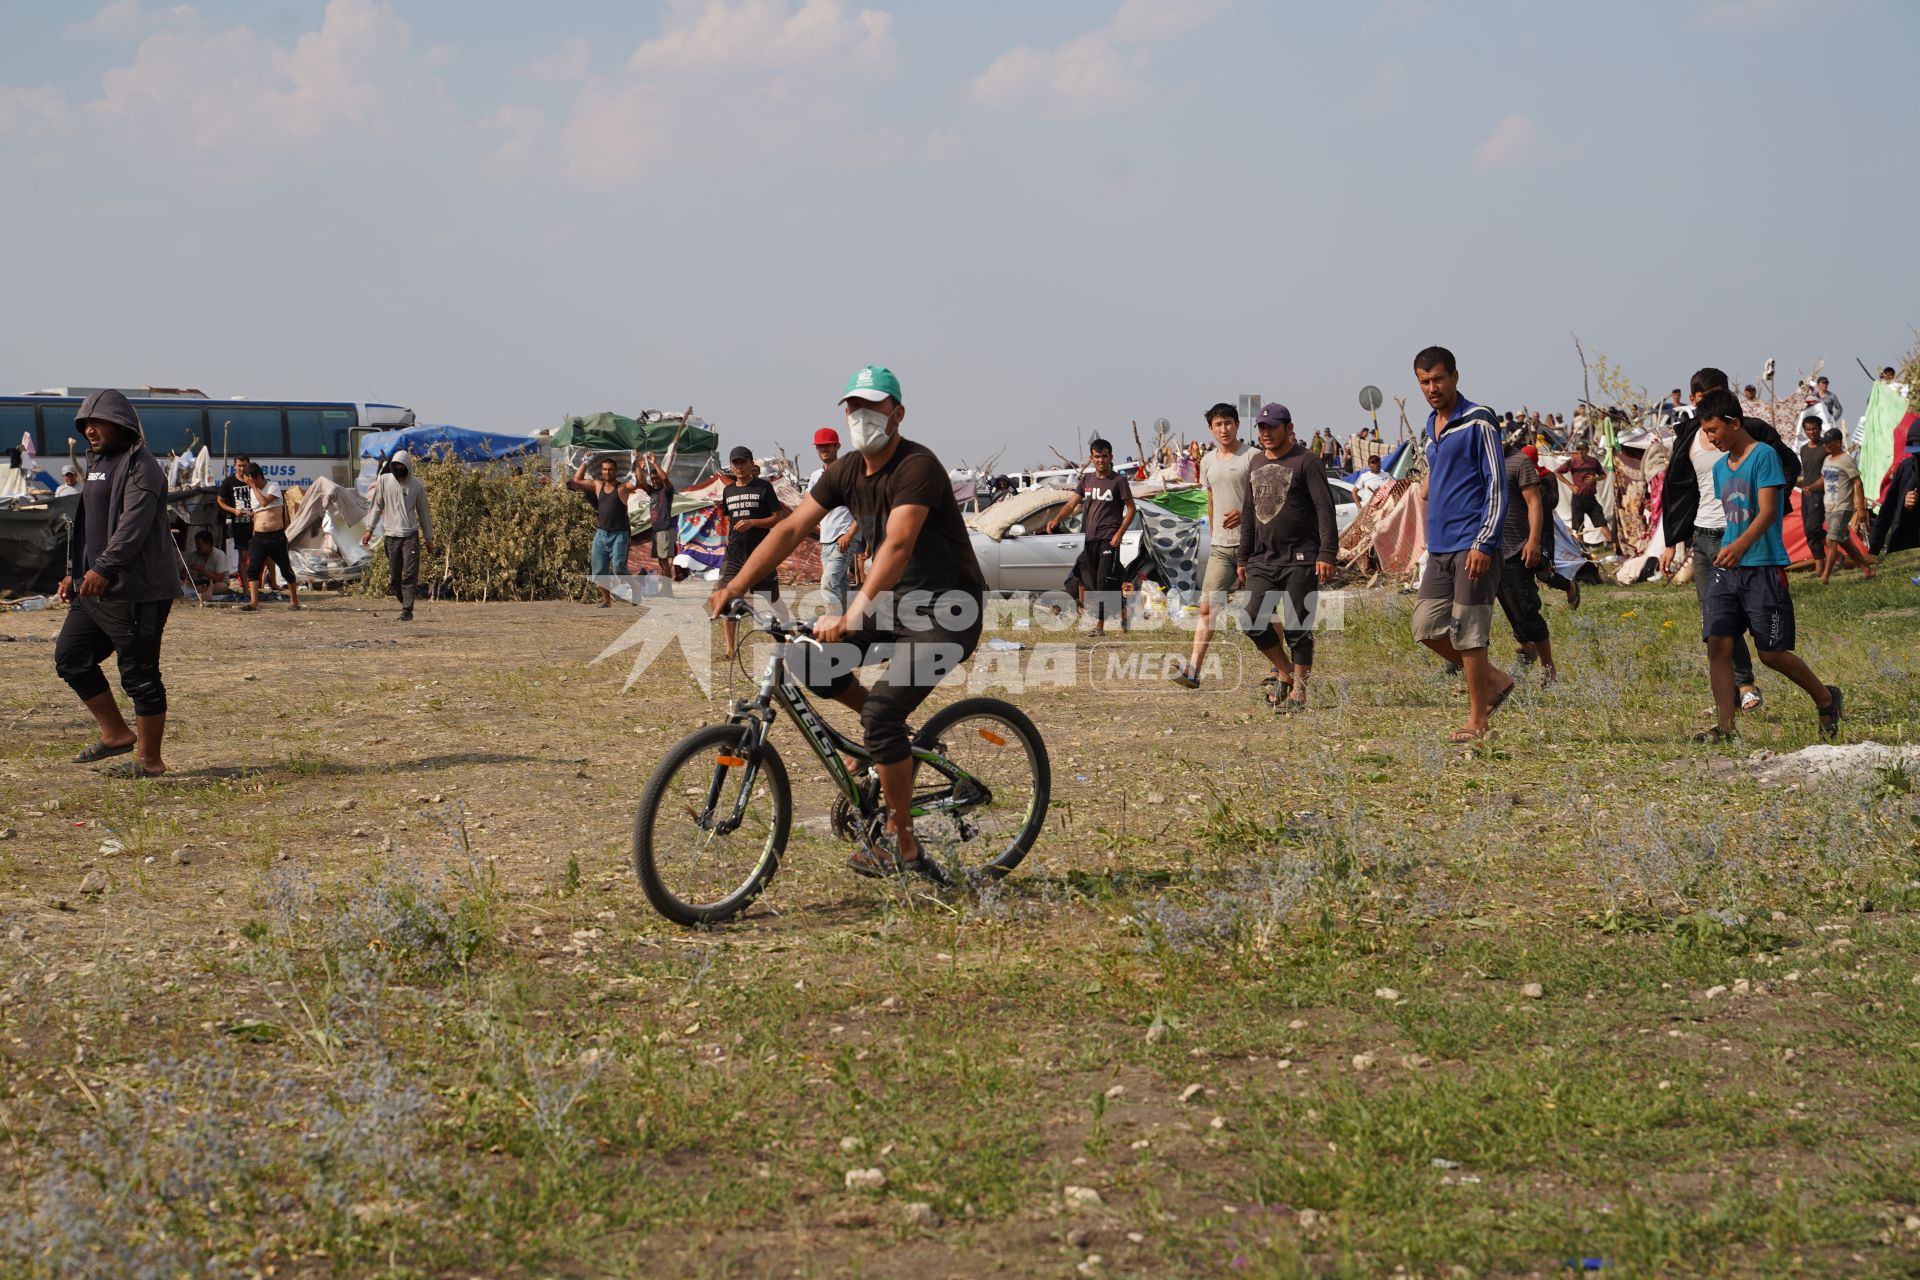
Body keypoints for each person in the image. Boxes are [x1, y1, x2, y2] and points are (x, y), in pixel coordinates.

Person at [709, 365, 985, 885]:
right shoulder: (846, 471)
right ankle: (886, 742)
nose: (860, 417)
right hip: (894, 605)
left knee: (879, 712)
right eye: (852, 407)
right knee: (807, 661)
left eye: (872, 407)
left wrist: (855, 611)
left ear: (896, 413)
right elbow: (792, 527)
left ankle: (902, 846)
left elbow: (899, 545)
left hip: (948, 613)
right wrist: (736, 586)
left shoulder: (917, 466)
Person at [1690, 389, 1841, 743]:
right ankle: (1726, 728)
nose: (1711, 439)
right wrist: (1727, 548)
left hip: (1763, 566)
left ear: (1734, 422)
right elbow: (1733, 518)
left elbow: (1769, 511)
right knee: (1718, 645)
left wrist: (1741, 546)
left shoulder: (1764, 456)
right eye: (1705, 433)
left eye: (1714, 430)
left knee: (1771, 653)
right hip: (1728, 568)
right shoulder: (1719, 470)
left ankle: (1825, 698)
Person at [1659, 366, 1801, 714]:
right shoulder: (1690, 439)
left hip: (1743, 540)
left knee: (1770, 648)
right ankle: (1731, 708)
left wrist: (1754, 522)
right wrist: (1673, 539)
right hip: (1704, 538)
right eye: (1704, 401)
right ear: (1693, 400)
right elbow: (1677, 490)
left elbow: (1781, 476)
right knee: (1717, 628)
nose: (1713, 432)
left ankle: (1818, 696)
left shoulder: (1755, 439)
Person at [54, 390, 178, 777]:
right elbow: (88, 524)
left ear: (121, 424)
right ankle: (115, 734)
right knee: (71, 657)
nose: (90, 429)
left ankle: (150, 760)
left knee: (139, 673)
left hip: (137, 589)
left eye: (98, 422)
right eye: (85, 424)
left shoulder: (142, 467)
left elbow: (134, 526)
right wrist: (76, 573)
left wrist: (104, 567)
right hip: (95, 587)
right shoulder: (96, 463)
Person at [1411, 347, 1513, 742]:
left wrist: (1484, 542)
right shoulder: (1431, 427)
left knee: (1469, 633)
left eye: (1438, 379)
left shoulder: (1478, 420)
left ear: (1455, 377)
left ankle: (1478, 721)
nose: (1432, 388)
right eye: (1424, 382)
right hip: (1439, 548)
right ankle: (1494, 681)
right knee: (1425, 626)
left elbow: (1496, 485)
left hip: (1472, 544)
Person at [1234, 403, 1336, 712]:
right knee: (1251, 618)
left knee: (1297, 626)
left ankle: (1299, 693)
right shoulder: (1255, 463)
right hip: (1263, 559)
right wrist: (1243, 556)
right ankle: (1287, 672)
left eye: (1272, 427)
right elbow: (1250, 513)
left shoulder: (1307, 462)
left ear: (1288, 428)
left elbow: (1324, 509)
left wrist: (1327, 552)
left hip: (1301, 558)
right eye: (1262, 428)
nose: (1266, 433)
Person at [1172, 403, 1248, 688]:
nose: (1224, 429)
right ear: (1211, 429)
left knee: (1263, 611)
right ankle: (1193, 670)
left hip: (1250, 547)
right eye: (1218, 424)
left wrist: (1244, 514)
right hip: (1220, 548)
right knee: (1207, 609)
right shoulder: (1206, 461)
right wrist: (1215, 532)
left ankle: (1281, 669)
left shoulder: (1252, 457)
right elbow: (1212, 499)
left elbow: (1262, 500)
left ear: (1237, 424)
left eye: (1228, 423)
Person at [1044, 438, 1135, 637]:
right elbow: (1071, 505)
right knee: (1088, 579)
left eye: (1104, 456)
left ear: (1111, 457)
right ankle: (1124, 610)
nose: (1101, 460)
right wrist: (1056, 519)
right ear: (1091, 458)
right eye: (1097, 457)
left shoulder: (1118, 481)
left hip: (1109, 538)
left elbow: (1131, 509)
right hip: (1090, 538)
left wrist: (1119, 533)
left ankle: (1099, 626)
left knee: (1102, 583)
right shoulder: (1087, 480)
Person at [1494, 438, 1560, 683]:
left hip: (1517, 549)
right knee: (1506, 609)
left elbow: (1535, 503)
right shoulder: (1482, 461)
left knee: (1526, 611)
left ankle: (1549, 670)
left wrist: (1533, 541)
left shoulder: (1518, 462)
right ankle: (1525, 650)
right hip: (1488, 551)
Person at [718, 445, 789, 659]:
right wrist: (725, 542)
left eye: (743, 462)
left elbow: (777, 517)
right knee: (726, 597)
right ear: (731, 466)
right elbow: (728, 519)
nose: (739, 467)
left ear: (751, 464)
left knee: (772, 599)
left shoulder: (764, 488)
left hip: (761, 554)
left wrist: (753, 523)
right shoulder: (728, 490)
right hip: (735, 555)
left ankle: (789, 635)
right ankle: (730, 649)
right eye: (735, 463)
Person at [361, 448, 434, 621]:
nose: (399, 469)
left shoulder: (416, 485)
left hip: (410, 536)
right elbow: (376, 506)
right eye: (396, 466)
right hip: (391, 536)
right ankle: (404, 602)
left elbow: (424, 513)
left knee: (409, 574)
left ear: (407, 466)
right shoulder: (385, 481)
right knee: (395, 578)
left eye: (402, 466)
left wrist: (429, 539)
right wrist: (369, 529)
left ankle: (407, 609)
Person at [568, 452, 640, 608]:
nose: (607, 472)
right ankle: (606, 601)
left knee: (618, 568)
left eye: (610, 470)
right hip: (601, 534)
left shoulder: (622, 488)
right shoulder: (597, 485)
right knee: (599, 570)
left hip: (619, 535)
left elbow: (636, 481)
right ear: (601, 471)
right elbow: (577, 480)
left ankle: (635, 589)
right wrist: (586, 461)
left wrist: (635, 462)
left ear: (616, 471)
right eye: (605, 470)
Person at [239, 463, 301, 612]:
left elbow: (264, 502)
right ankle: (254, 602)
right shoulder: (253, 491)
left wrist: (253, 486)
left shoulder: (273, 486)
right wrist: (254, 534)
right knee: (253, 570)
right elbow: (256, 514)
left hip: (276, 536)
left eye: (251, 480)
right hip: (259, 537)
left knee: (286, 569)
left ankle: (294, 600)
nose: (250, 484)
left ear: (258, 477)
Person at [808, 427, 856, 613]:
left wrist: (850, 533)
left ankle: (834, 625)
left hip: (843, 539)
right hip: (825, 540)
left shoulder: (848, 474)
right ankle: (852, 628)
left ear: (837, 446)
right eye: (819, 447)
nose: (823, 450)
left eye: (827, 446)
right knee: (841, 586)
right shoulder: (815, 477)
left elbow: (862, 509)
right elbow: (809, 506)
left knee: (828, 584)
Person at [1816, 428, 1874, 584]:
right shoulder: (1827, 460)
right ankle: (1867, 570)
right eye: (1824, 443)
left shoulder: (1846, 460)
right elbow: (1823, 479)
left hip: (1842, 507)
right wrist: (1809, 486)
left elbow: (1858, 483)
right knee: (1844, 542)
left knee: (1831, 540)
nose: (1825, 445)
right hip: (1829, 507)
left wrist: (1861, 508)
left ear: (1837, 442)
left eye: (1828, 442)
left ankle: (1825, 577)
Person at [1869, 418, 1920, 557]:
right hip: (1904, 541)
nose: (1917, 456)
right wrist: (1873, 549)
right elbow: (1888, 509)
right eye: (1915, 452)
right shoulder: (1906, 468)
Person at [638, 453, 678, 586]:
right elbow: (641, 482)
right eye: (652, 478)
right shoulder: (653, 492)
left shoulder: (667, 490)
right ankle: (666, 589)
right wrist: (638, 467)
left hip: (665, 529)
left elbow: (665, 478)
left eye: (656, 478)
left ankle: (667, 590)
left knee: (665, 561)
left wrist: (654, 463)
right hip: (656, 530)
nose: (654, 480)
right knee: (662, 562)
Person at [1555, 443, 1609, 538]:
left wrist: (1595, 478)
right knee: (1578, 528)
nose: (1579, 452)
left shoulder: (1593, 461)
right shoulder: (1572, 462)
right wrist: (1569, 484)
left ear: (1587, 450)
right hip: (1578, 499)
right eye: (1578, 449)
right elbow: (1557, 472)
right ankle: (1581, 551)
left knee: (1602, 523)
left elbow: (1604, 475)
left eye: (1582, 449)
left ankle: (1616, 548)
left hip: (1591, 499)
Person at [215, 453, 254, 588]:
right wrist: (233, 511)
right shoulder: (229, 481)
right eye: (239, 466)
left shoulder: (254, 479)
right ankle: (245, 588)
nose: (242, 469)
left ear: (249, 465)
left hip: (257, 524)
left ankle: (271, 583)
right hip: (240, 525)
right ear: (234, 466)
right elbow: (220, 500)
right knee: (243, 556)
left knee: (264, 554)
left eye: (244, 465)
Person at [1795, 413, 1828, 564]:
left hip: (1820, 493)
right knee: (1808, 531)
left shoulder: (1826, 448)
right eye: (1808, 430)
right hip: (1806, 493)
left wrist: (1814, 486)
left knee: (1814, 527)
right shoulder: (1803, 449)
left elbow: (1828, 473)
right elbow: (1806, 471)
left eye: (1814, 429)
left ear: (1820, 429)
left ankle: (1836, 550)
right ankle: (1819, 565)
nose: (1811, 432)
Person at [183, 529, 225, 601]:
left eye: (199, 544)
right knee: (180, 582)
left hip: (214, 584)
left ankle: (204, 591)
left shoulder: (219, 555)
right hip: (198, 584)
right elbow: (183, 575)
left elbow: (219, 578)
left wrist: (202, 570)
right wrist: (185, 572)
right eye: (196, 543)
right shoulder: (194, 555)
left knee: (222, 586)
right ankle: (201, 590)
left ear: (207, 544)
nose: (196, 546)